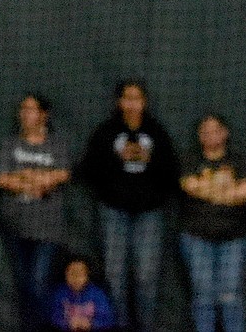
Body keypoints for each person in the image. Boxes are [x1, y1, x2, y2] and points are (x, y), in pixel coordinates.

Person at [76, 81, 179, 332]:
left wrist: (149, 160)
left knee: (146, 278)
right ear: (119, 102)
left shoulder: (156, 132)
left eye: (137, 98)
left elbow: (172, 175)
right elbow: (86, 171)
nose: (132, 103)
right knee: (114, 278)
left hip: (149, 214)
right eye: (127, 98)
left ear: (145, 102)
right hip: (113, 212)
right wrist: (116, 159)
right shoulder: (106, 132)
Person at [0, 94, 71, 332]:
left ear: (43, 114)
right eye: (23, 109)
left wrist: (33, 177)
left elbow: (62, 175)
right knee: (23, 284)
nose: (24, 114)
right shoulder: (11, 145)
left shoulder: (56, 145)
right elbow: (2, 179)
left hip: (47, 228)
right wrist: (32, 182)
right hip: (15, 226)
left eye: (30, 109)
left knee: (39, 282)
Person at [177, 114, 246, 332]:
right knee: (203, 294)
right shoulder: (189, 160)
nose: (210, 135)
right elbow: (190, 186)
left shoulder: (240, 160)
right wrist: (228, 192)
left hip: (234, 237)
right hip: (196, 237)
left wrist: (209, 190)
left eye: (215, 130)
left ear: (225, 132)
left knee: (230, 294)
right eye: (204, 131)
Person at [47, 257, 116, 331]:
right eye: (72, 273)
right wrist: (67, 323)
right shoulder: (60, 293)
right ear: (65, 275)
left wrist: (91, 323)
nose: (76, 277)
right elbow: (53, 316)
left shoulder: (97, 294)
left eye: (80, 274)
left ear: (87, 276)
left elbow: (108, 318)